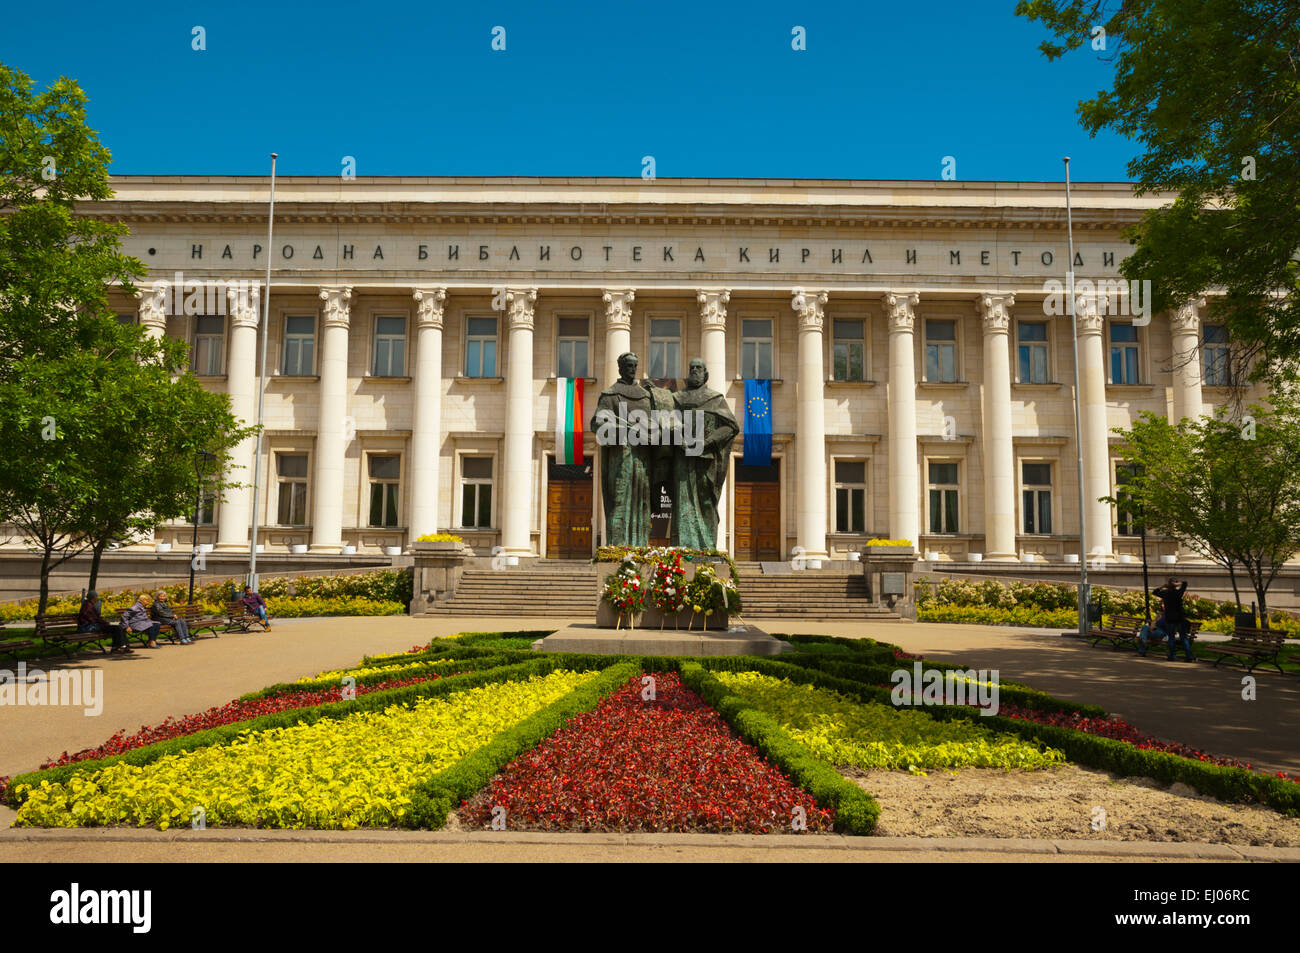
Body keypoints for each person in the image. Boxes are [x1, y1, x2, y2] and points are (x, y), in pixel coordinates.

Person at [1153, 577, 1194, 661]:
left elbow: (1155, 592)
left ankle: (1172, 656)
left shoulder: (1165, 593)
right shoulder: (1179, 592)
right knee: (1183, 637)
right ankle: (1189, 656)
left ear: (1168, 585)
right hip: (1179, 618)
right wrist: (1178, 583)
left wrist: (1163, 586)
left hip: (1170, 618)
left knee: (1171, 637)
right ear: (1175, 585)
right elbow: (1185, 583)